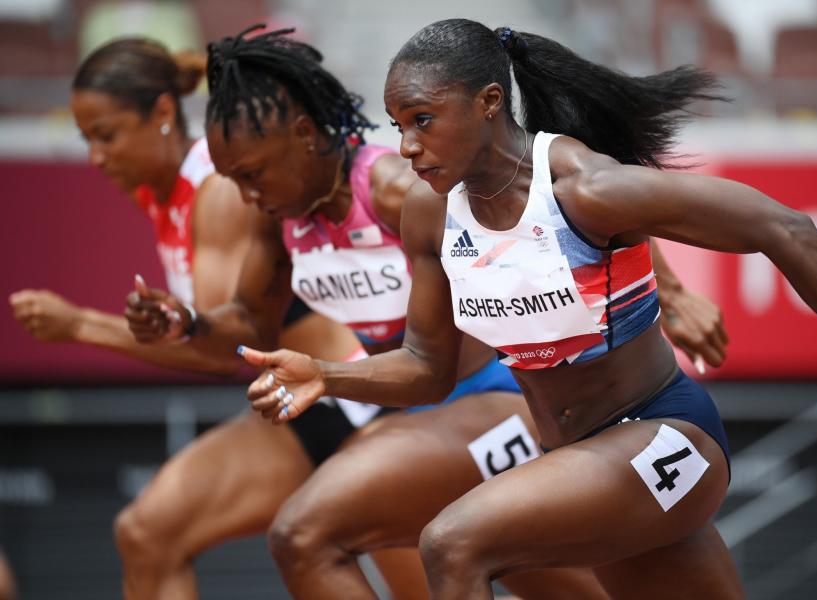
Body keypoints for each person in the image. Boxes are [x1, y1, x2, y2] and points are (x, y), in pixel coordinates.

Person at [237, 18, 817, 599]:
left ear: (489, 102)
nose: (409, 147)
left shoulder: (584, 189)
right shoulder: (430, 215)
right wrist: (327, 374)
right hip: (574, 457)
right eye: (397, 125)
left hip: (665, 438)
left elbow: (785, 229)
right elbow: (427, 369)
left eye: (423, 120)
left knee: (452, 543)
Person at [126, 25, 728, 600]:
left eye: (253, 174)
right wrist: (185, 324)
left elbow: (565, 215)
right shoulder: (279, 219)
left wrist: (671, 297)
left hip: (489, 399)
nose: (247, 195)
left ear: (306, 134)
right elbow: (247, 327)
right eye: (233, 181)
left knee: (308, 533)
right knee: (529, 578)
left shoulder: (391, 189)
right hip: (406, 408)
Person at [8, 37, 426, 600]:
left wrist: (82, 326)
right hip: (298, 403)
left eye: (106, 136)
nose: (96, 157)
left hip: (351, 399)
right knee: (149, 533)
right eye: (87, 140)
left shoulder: (219, 189)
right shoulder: (164, 193)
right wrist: (178, 321)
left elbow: (223, 349)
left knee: (415, 572)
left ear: (161, 114)